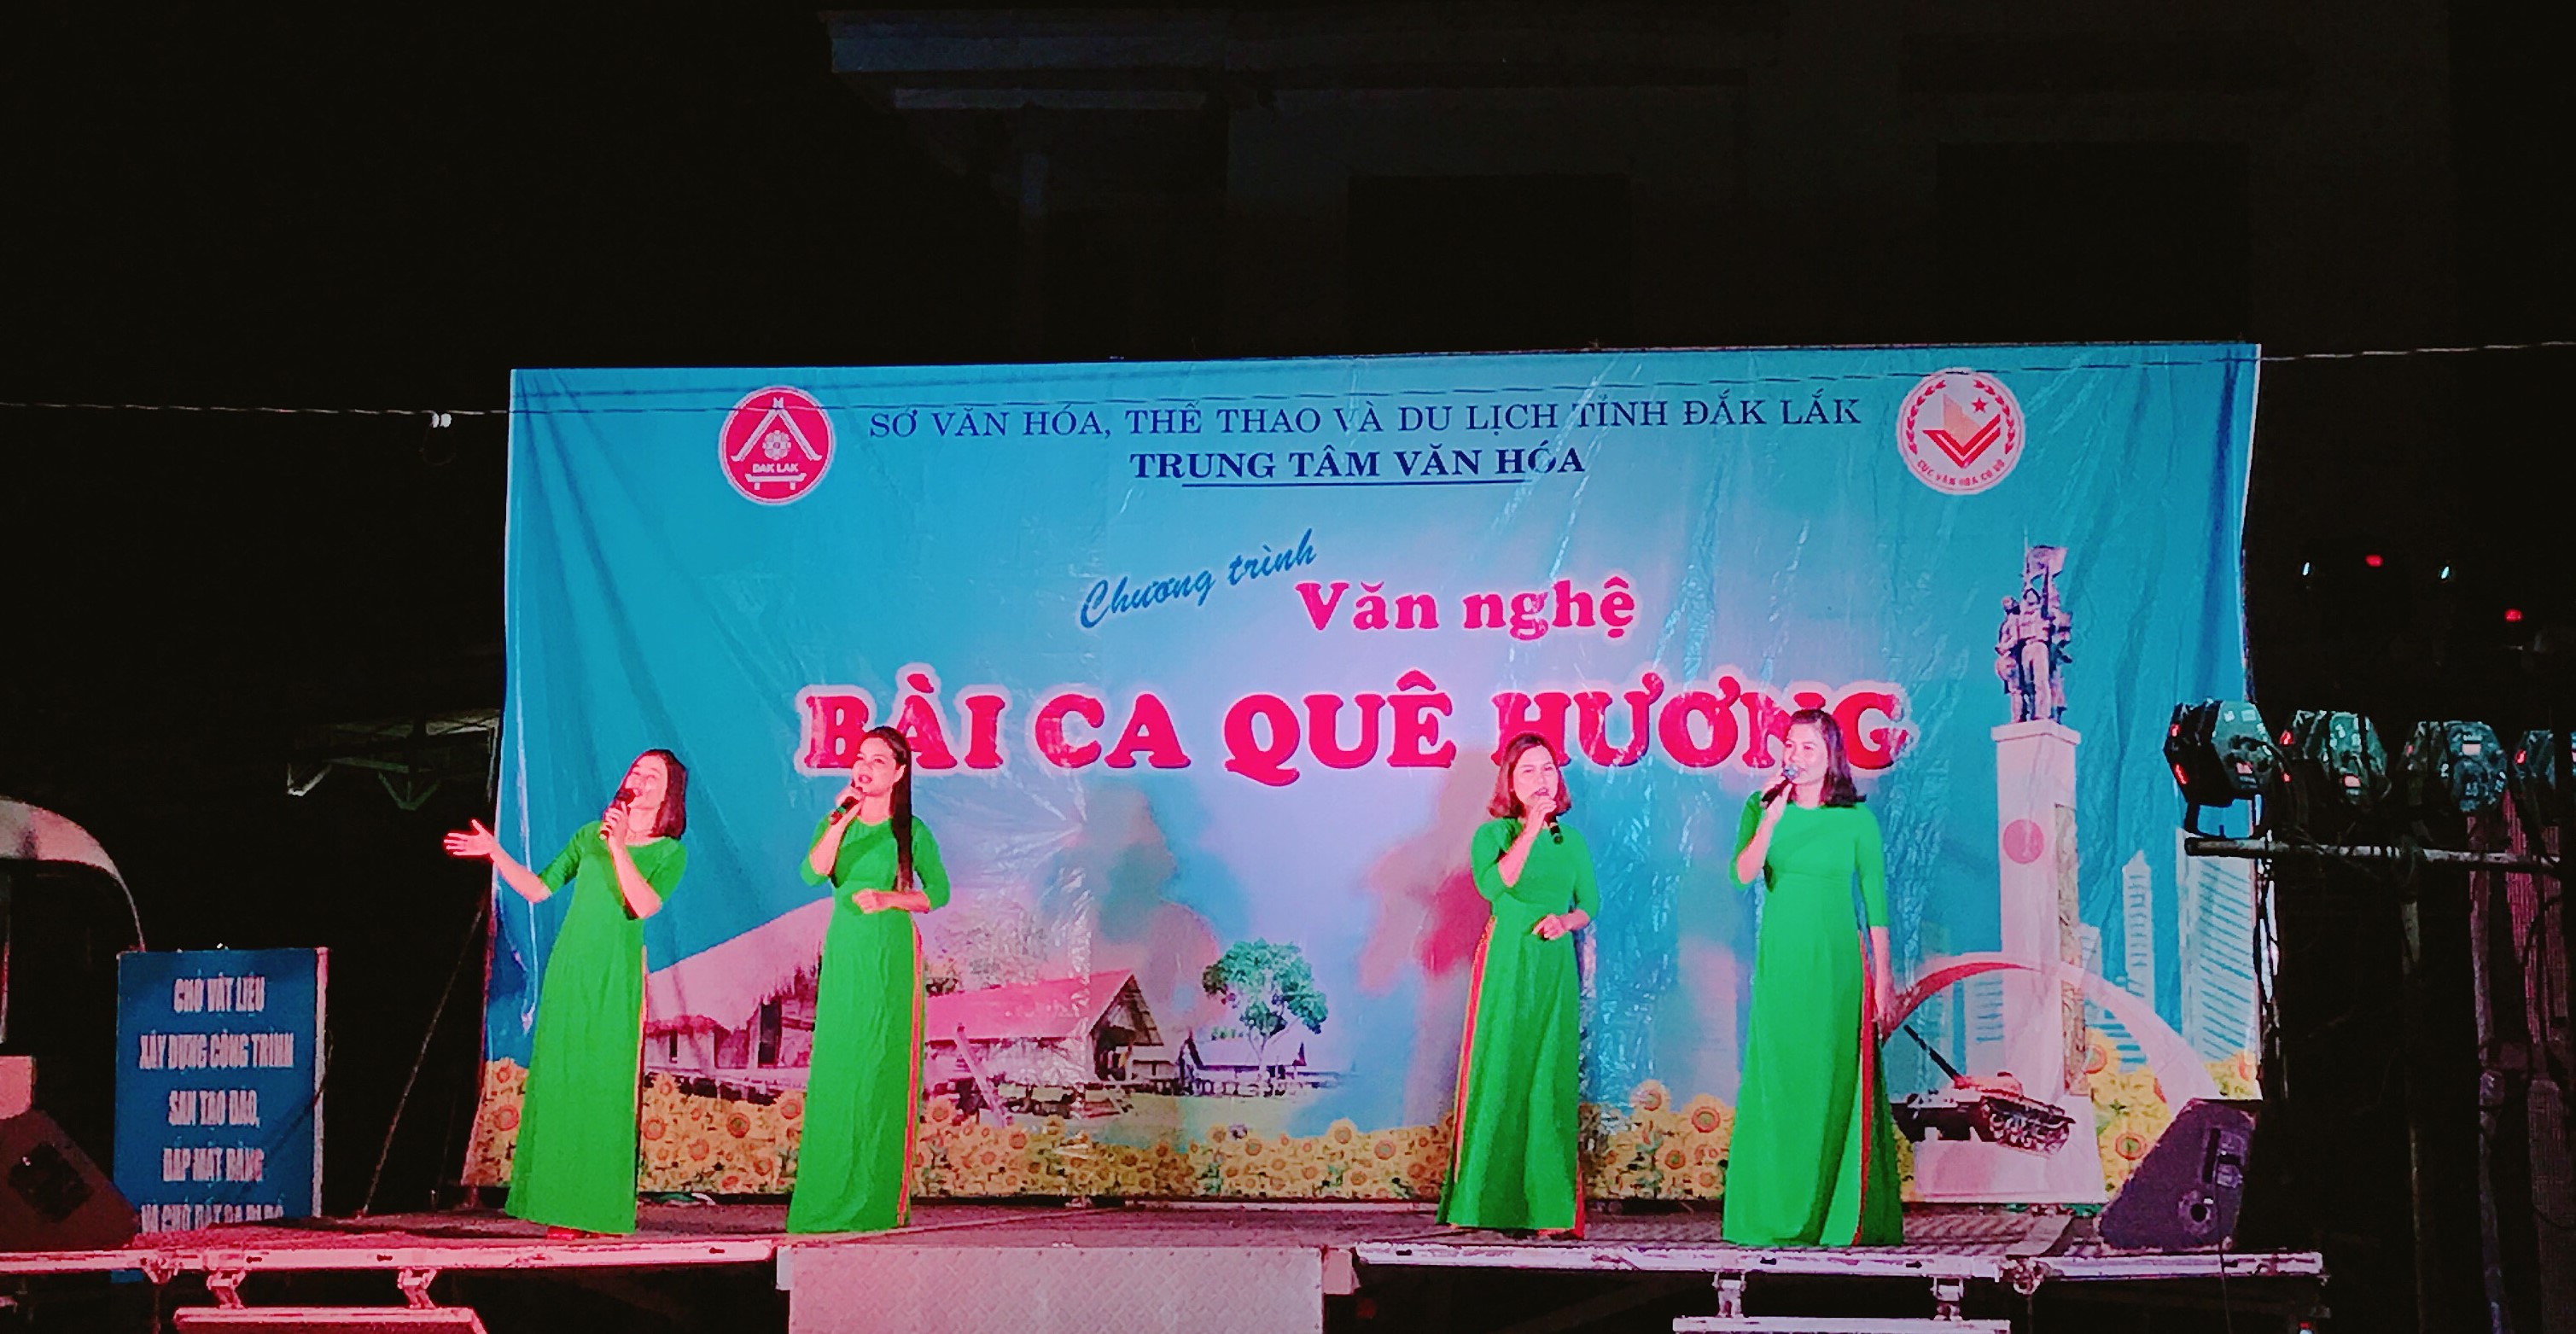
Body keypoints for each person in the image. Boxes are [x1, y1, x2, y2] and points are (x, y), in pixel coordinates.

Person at [444, 749, 691, 1237]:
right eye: (636, 770)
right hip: (570, 968)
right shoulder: (588, 836)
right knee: (563, 1082)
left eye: (652, 775)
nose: (639, 779)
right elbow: (539, 889)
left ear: (669, 793)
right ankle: (563, 1209)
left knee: (604, 1087)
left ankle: (598, 1211)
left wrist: (619, 846)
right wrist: (496, 853)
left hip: (614, 975)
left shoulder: (669, 852)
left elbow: (642, 906)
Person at [1723, 709, 1902, 1245]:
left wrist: (1884, 979)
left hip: (1836, 965)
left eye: (1809, 748)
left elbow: (1875, 905)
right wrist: (1770, 820)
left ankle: (1834, 1212)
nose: (1796, 756)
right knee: (1781, 1079)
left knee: (1830, 1078)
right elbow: (1742, 875)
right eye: (1790, 745)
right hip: (1782, 965)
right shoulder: (1760, 807)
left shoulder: (1856, 820)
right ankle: (1774, 1212)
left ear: (1831, 758)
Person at [787, 726, 951, 1234]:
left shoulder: (911, 831)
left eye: (878, 761)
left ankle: (877, 1202)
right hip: (846, 949)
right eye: (861, 758)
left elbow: (938, 893)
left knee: (880, 1066)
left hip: (889, 952)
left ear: (899, 773)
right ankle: (825, 1202)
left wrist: (889, 899)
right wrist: (842, 816)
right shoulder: (839, 820)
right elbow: (812, 873)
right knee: (839, 1067)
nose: (865, 767)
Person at [1440, 732, 1598, 1237]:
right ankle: (1480, 1204)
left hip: (1553, 967)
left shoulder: (1572, 841)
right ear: (1509, 782)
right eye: (1527, 770)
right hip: (1507, 962)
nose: (1540, 779)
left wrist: (1565, 922)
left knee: (1549, 1077)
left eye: (1548, 768)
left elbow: (1589, 904)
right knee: (1500, 1069)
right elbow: (1495, 884)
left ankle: (1549, 1211)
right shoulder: (1492, 835)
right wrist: (1529, 829)